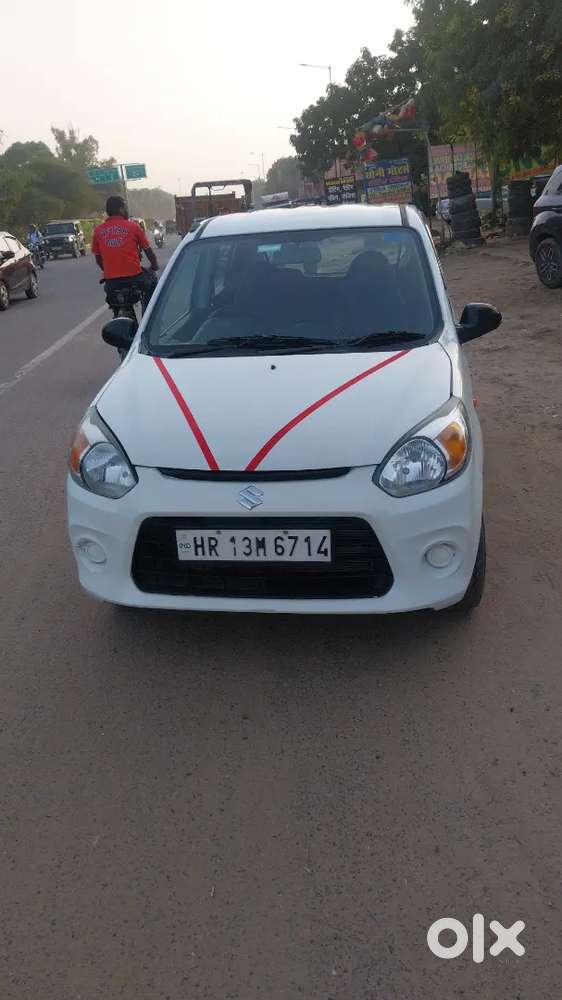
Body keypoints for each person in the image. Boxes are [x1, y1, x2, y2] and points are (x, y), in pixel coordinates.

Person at [91, 196, 159, 311]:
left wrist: (109, 270)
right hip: (134, 279)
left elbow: (98, 259)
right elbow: (148, 251)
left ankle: (118, 314)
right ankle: (148, 317)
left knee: (115, 303)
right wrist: (154, 266)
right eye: (125, 208)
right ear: (121, 209)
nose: (127, 210)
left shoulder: (98, 231)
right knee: (152, 279)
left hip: (112, 283)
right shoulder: (133, 227)